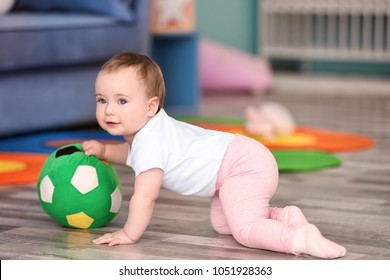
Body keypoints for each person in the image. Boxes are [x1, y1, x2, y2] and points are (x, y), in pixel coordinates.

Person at [82, 51, 347, 259]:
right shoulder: (150, 133)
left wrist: (129, 233)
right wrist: (105, 151)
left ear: (151, 106)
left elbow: (145, 196)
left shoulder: (151, 142)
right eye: (102, 100)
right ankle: (285, 218)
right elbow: (133, 154)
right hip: (240, 161)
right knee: (223, 225)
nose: (108, 111)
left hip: (242, 166)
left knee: (245, 230)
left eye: (122, 101)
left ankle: (301, 240)